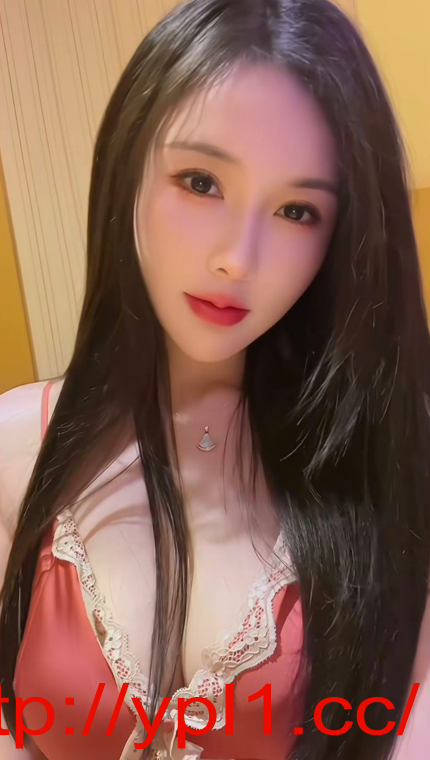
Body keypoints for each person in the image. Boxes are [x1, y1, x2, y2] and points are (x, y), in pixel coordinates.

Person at [1, 0, 429, 758]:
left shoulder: (392, 461)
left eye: (297, 210)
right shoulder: (15, 448)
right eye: (200, 181)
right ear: (128, 169)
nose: (238, 258)